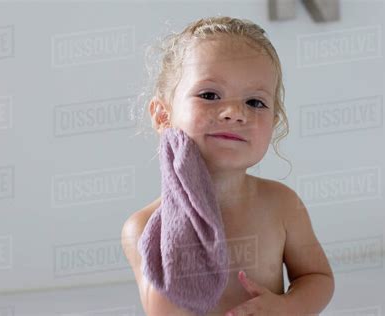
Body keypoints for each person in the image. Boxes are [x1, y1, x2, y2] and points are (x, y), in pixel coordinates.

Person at [121, 16, 334, 316]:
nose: (235, 112)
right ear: (162, 115)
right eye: (209, 95)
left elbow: (318, 278)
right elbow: (164, 312)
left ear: (273, 123)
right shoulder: (142, 226)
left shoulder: (282, 206)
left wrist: (286, 306)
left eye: (255, 102)